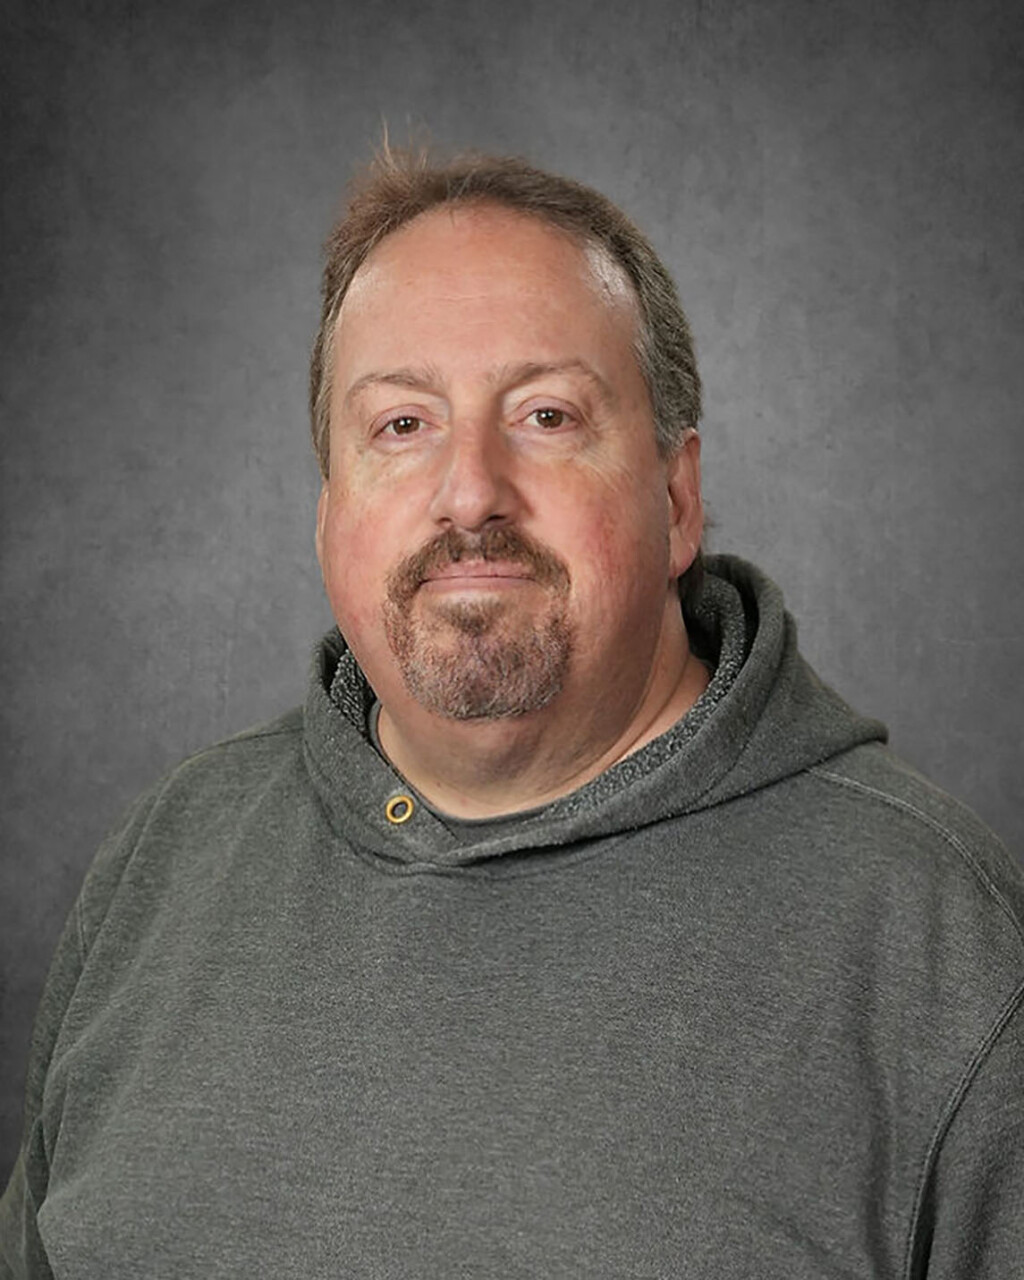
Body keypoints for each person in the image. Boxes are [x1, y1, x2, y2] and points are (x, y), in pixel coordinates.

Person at [2, 148, 1022, 1279]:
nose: (471, 491)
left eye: (545, 414)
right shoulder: (166, 861)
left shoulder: (938, 943)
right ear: (328, 513)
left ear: (676, 497)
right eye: (402, 425)